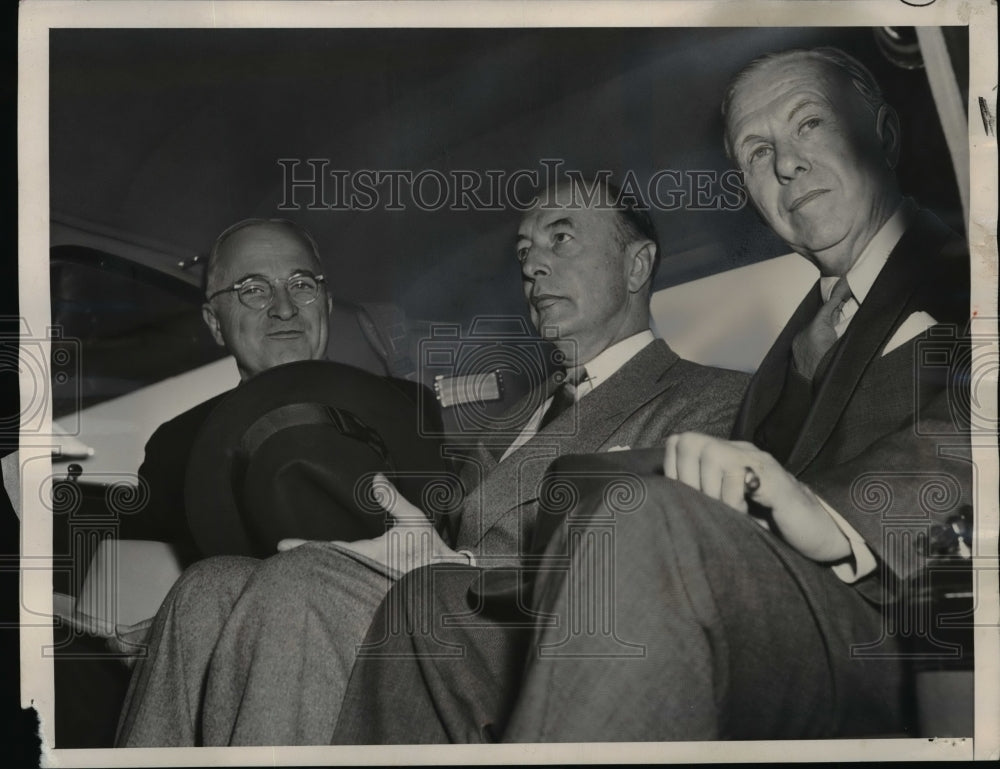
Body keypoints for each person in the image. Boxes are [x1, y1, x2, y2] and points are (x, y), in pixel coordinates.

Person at [330, 46, 971, 742]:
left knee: (642, 518)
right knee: (429, 605)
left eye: (810, 123)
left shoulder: (971, 272)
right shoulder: (788, 356)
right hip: (763, 609)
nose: (785, 164)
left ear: (884, 132)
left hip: (906, 629)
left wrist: (833, 513)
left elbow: (975, 428)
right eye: (757, 153)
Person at [115, 178, 750, 746]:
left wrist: (458, 567)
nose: (533, 266)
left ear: (638, 264)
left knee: (299, 585)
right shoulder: (504, 421)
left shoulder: (713, 400)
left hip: (533, 645)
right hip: (431, 610)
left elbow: (669, 582)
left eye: (561, 239)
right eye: (525, 252)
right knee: (209, 588)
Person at [118, 218, 332, 563]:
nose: (284, 308)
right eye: (254, 290)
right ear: (216, 324)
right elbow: (142, 578)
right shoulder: (177, 449)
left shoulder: (404, 416)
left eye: (302, 285)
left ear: (327, 305)